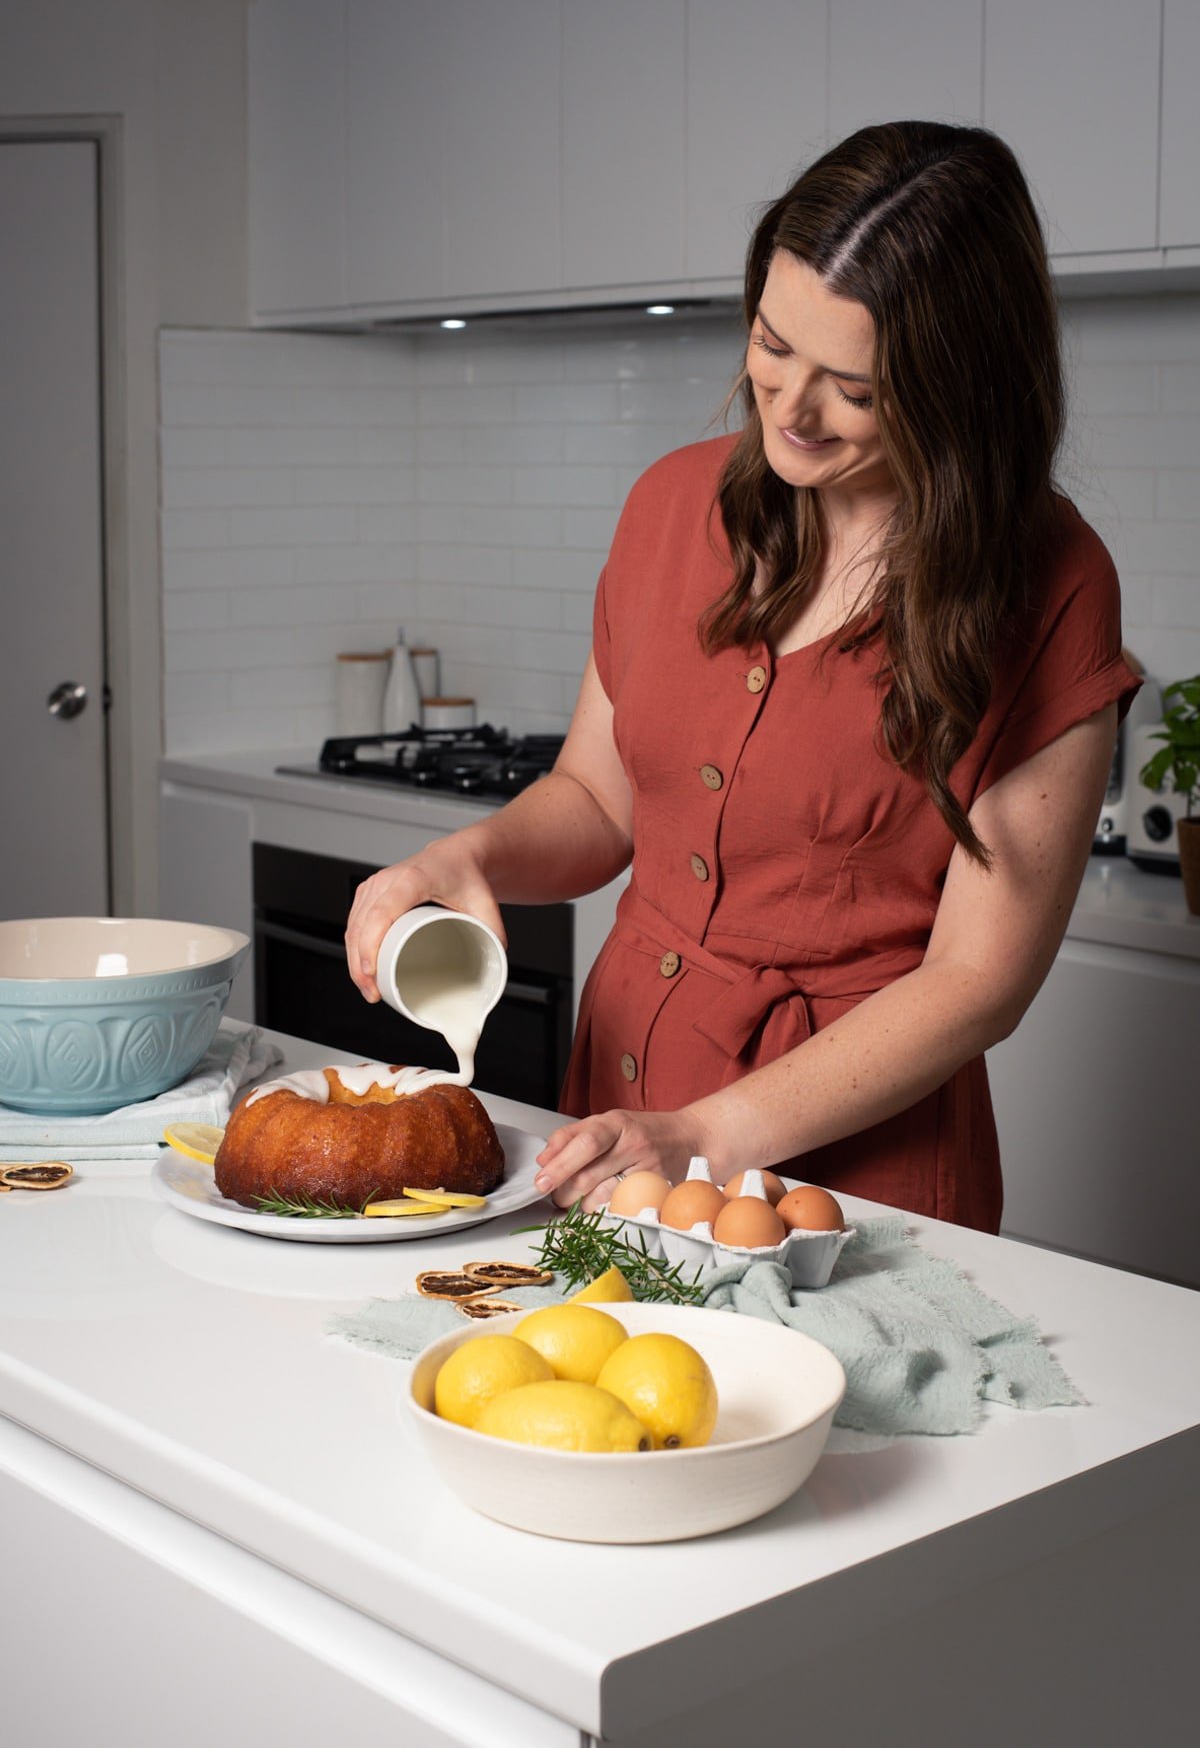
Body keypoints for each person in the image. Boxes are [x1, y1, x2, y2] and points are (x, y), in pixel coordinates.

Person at [344, 120, 1139, 1233]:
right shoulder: (672, 508)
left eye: (854, 389)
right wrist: (467, 855)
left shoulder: (1048, 581)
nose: (789, 407)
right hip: (618, 1113)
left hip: (849, 1180)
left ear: (962, 385)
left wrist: (705, 1134)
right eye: (772, 343)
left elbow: (978, 979)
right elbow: (594, 801)